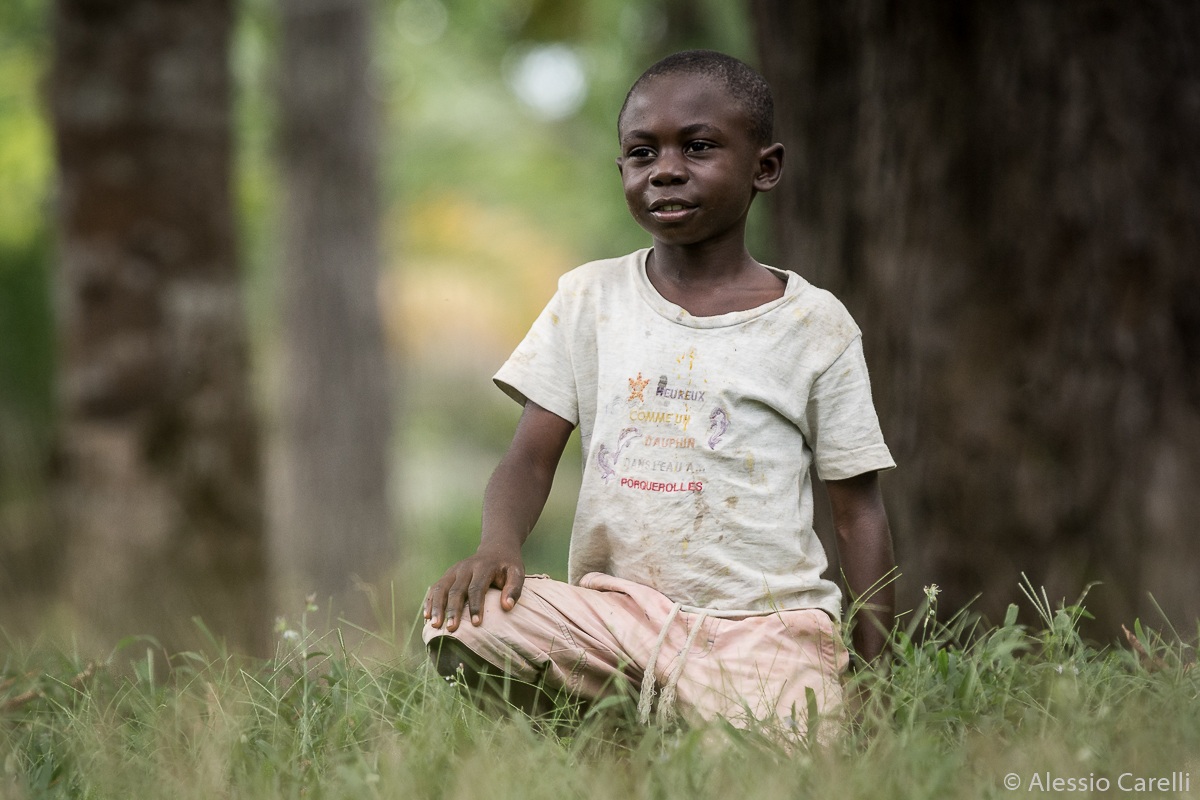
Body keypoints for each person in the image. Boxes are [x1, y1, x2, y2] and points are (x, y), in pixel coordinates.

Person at [423, 49, 895, 740]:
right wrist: (499, 544)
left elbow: (860, 515)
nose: (666, 168)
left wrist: (877, 684)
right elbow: (528, 459)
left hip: (764, 632)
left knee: (779, 767)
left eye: (699, 147)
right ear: (623, 172)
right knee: (462, 623)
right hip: (617, 620)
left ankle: (700, 721)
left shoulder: (814, 324)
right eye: (642, 153)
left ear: (765, 167)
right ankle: (612, 733)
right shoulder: (589, 298)